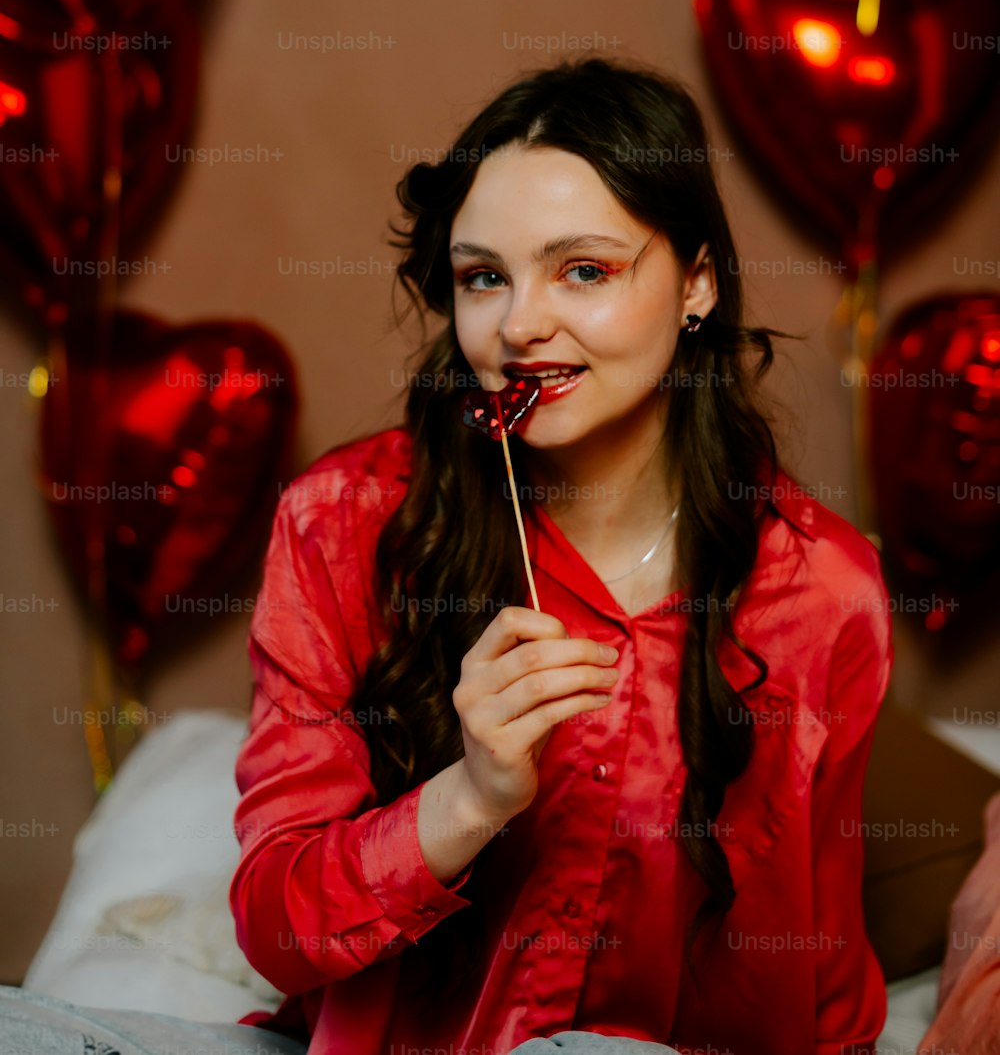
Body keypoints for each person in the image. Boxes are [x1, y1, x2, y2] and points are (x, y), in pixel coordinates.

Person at [0, 53, 893, 1055]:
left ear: (695, 283)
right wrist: (468, 799)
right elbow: (278, 926)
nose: (517, 324)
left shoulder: (821, 591)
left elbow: (808, 971)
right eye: (482, 278)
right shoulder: (342, 522)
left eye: (583, 270)